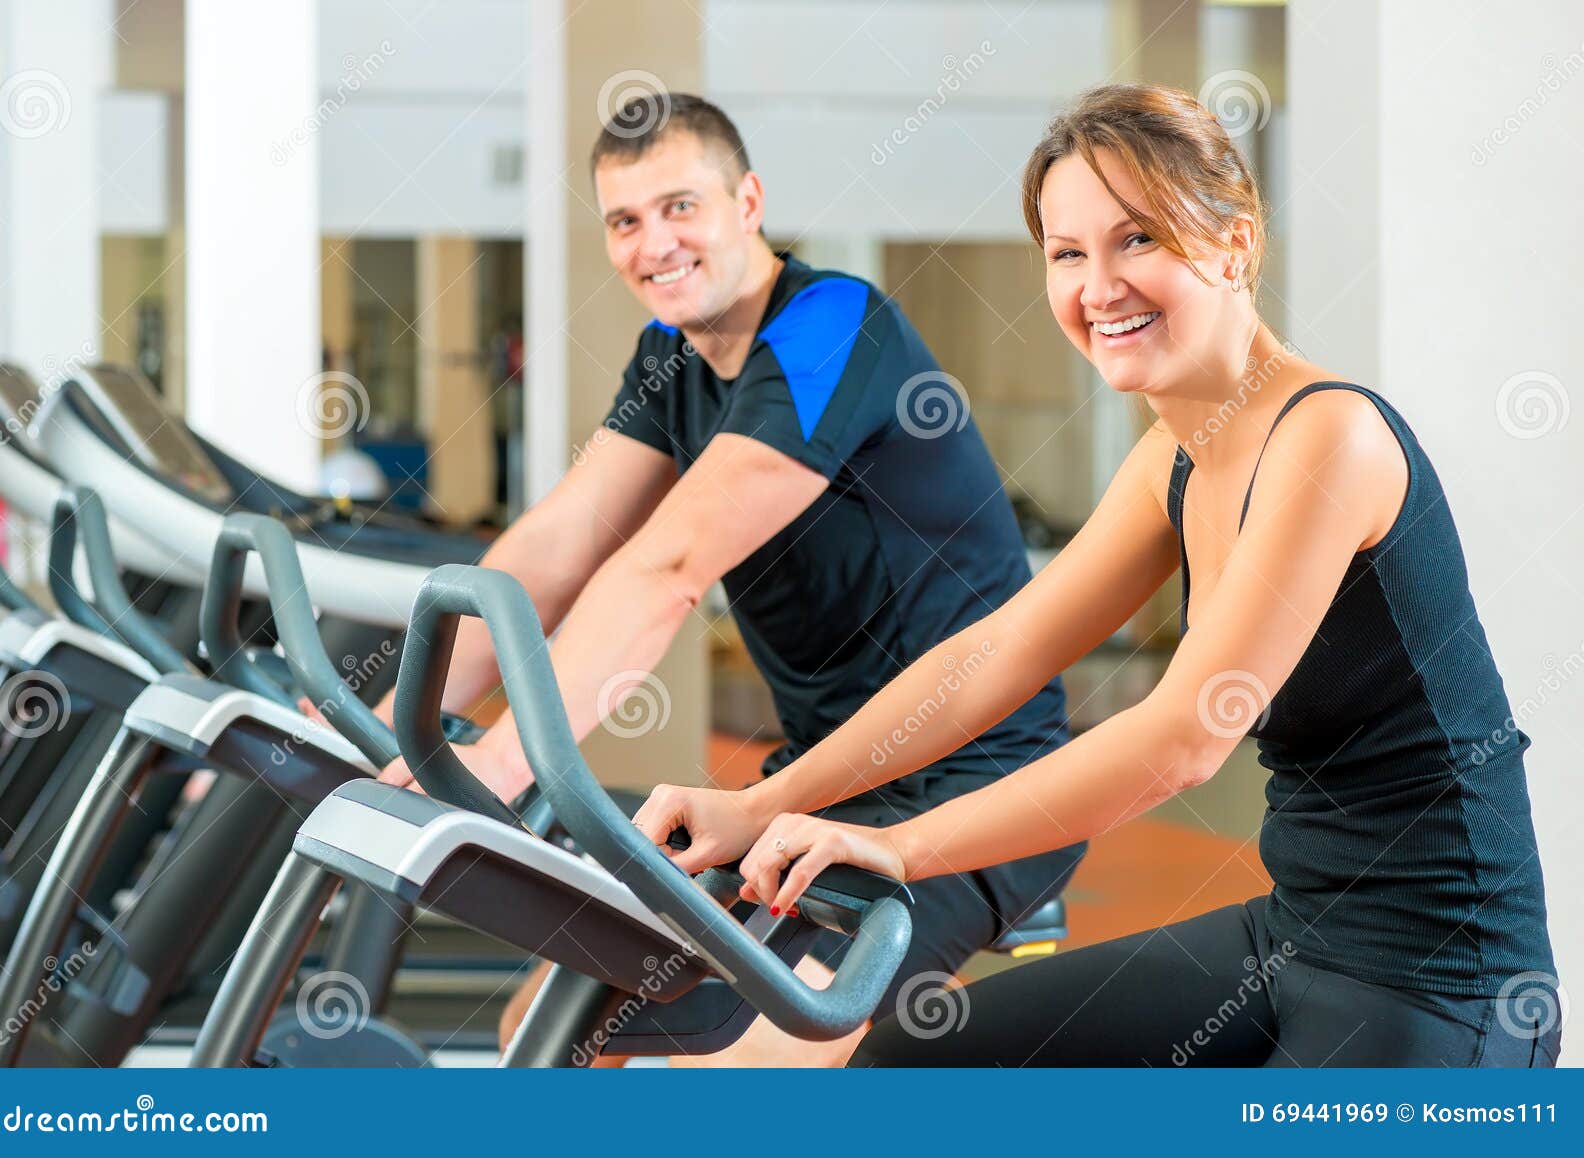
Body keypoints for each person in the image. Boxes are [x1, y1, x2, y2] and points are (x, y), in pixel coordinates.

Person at [635, 83, 1562, 1068]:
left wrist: (903, 848)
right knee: (909, 1063)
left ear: (1235, 243)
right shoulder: (1176, 453)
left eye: (1138, 240)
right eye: (1067, 254)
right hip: (1299, 935)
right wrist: (767, 806)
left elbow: (1183, 742)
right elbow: (1000, 651)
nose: (1099, 285)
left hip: (1444, 985)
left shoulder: (1328, 439)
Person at [362, 93, 1083, 1065]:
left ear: (747, 201)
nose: (653, 243)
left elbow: (667, 570)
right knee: (555, 1027)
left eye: (679, 207)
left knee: (740, 1068)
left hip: (975, 781)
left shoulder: (834, 322)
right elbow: (556, 548)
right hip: (824, 783)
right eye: (624, 220)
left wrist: (496, 765)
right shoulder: (670, 355)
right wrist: (385, 721)